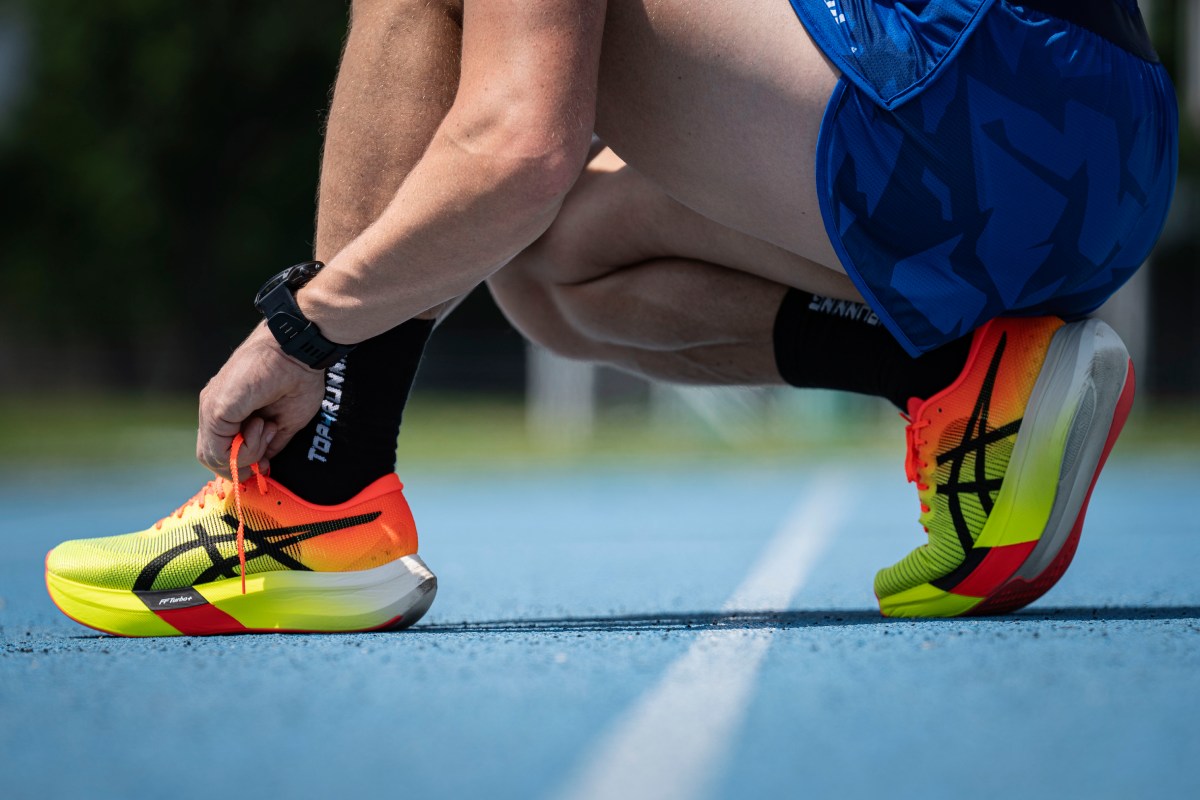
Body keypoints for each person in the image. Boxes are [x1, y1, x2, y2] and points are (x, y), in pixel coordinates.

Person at [45, 0, 1176, 634]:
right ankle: (959, 375)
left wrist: (305, 327)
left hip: (967, 104)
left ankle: (311, 502)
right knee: (554, 268)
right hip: (1111, 149)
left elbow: (518, 144)